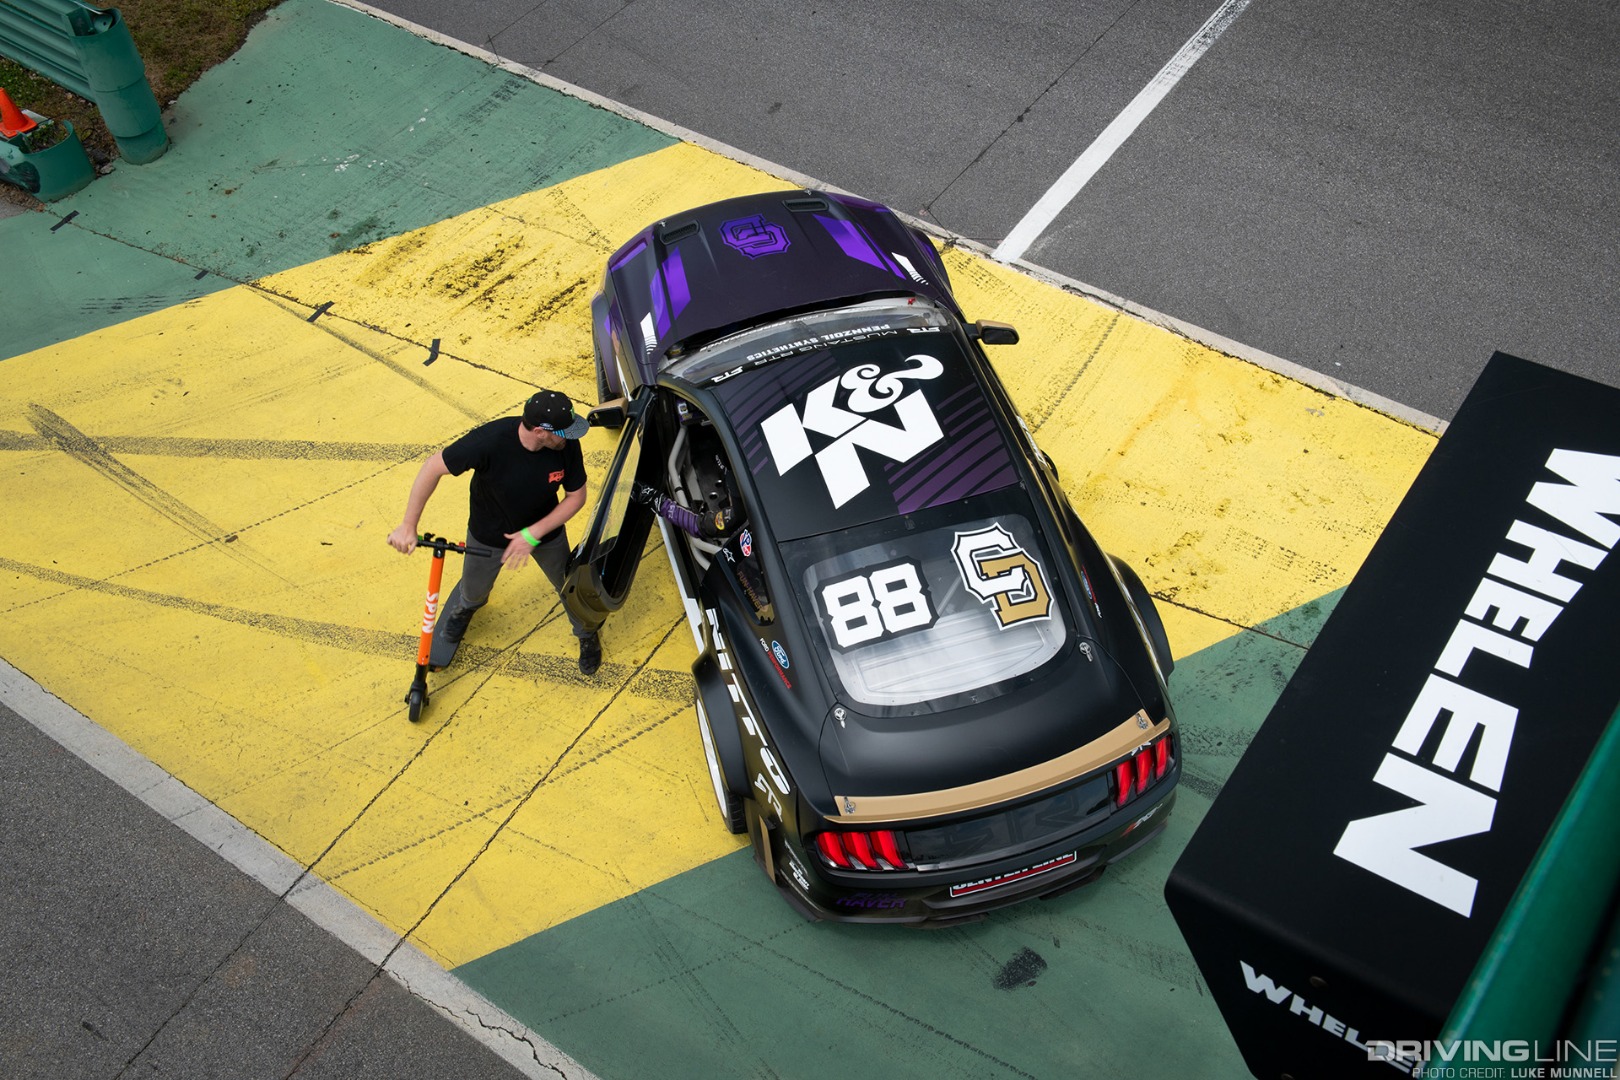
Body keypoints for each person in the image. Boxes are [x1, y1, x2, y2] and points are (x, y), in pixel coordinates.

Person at [387, 390, 601, 675]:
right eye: (563, 433)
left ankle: (586, 632)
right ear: (540, 432)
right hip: (488, 531)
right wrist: (408, 525)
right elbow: (433, 467)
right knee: (473, 590)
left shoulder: (565, 445)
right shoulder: (489, 441)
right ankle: (466, 608)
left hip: (545, 530)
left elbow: (576, 497)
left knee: (568, 586)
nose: (569, 438)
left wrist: (532, 534)